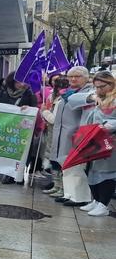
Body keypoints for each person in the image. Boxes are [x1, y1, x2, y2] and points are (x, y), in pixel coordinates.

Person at [51, 66, 93, 206]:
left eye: (77, 76)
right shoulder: (70, 92)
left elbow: (86, 105)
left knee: (76, 167)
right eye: (70, 76)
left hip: (76, 135)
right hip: (63, 134)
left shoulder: (89, 92)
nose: (73, 79)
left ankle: (80, 197)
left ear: (86, 78)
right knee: (66, 166)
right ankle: (69, 193)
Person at [76, 71, 116, 216]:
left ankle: (103, 205)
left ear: (111, 84)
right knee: (91, 170)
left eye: (101, 86)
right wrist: (92, 96)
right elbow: (72, 98)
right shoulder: (98, 97)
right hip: (93, 139)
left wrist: (109, 125)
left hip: (110, 142)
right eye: (96, 86)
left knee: (107, 173)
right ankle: (96, 200)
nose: (98, 89)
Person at [0, 73, 37, 184]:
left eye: (23, 81)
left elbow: (35, 109)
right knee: (7, 148)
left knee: (21, 151)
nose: (21, 84)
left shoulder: (29, 93)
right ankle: (8, 173)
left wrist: (29, 109)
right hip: (7, 127)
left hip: (22, 129)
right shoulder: (4, 91)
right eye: (18, 81)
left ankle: (19, 173)